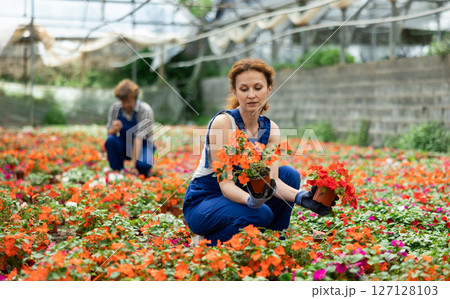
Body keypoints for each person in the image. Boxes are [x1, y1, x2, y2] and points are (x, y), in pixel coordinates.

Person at [183, 58, 338, 246]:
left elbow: (272, 182)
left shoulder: (271, 129)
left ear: (269, 88)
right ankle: (206, 242)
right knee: (261, 213)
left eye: (258, 87)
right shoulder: (224, 123)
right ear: (234, 91)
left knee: (289, 175)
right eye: (244, 89)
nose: (251, 95)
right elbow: (225, 185)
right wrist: (251, 201)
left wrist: (302, 198)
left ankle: (273, 241)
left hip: (240, 196)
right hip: (205, 202)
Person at [105, 79, 155, 177]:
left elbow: (139, 138)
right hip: (124, 144)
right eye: (122, 101)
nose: (125, 105)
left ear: (135, 98)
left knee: (143, 165)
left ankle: (141, 171)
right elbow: (109, 132)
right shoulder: (115, 108)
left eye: (128, 101)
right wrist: (114, 130)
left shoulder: (145, 110)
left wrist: (133, 166)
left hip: (143, 144)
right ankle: (117, 171)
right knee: (111, 141)